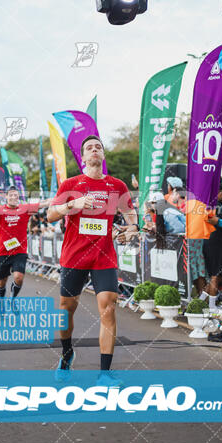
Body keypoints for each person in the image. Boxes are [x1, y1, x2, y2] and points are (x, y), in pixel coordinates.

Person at [47, 135, 138, 384]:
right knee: (66, 310)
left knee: (108, 309)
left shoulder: (117, 185)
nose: (95, 150)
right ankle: (66, 356)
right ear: (83, 157)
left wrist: (131, 230)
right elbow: (50, 216)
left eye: (98, 147)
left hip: (104, 257)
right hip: (74, 256)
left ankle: (104, 374)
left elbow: (130, 214)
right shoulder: (71, 184)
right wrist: (72, 204)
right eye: (90, 148)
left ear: (102, 155)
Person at [200, 183, 222, 313]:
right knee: (215, 276)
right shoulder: (217, 206)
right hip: (216, 243)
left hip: (208, 241)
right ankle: (212, 307)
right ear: (220, 192)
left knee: (215, 276)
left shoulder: (208, 204)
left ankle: (198, 304)